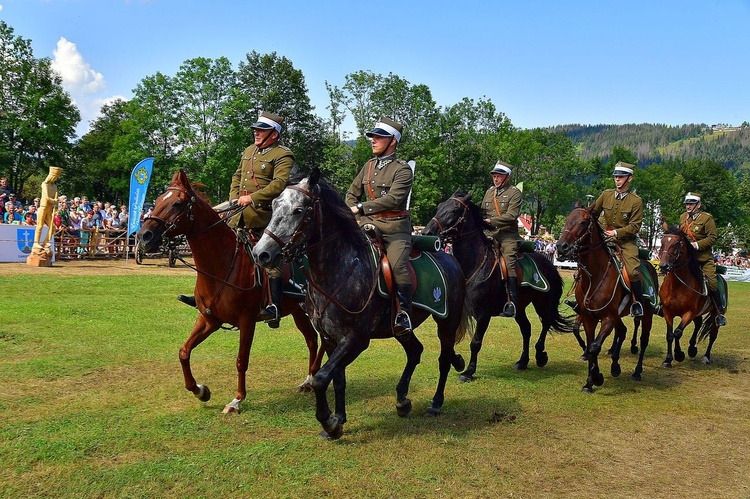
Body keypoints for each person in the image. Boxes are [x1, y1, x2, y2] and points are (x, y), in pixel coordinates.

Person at [178, 111, 295, 328]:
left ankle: (274, 306)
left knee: (270, 260)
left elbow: (279, 184)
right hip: (238, 216)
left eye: (261, 130)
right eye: (256, 130)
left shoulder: (283, 154)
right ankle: (204, 297)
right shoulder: (249, 151)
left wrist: (252, 198)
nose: (256, 133)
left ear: (274, 134)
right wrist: (235, 198)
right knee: (215, 254)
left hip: (265, 217)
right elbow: (236, 176)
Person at [345, 116, 414, 334]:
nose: (373, 140)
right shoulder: (367, 166)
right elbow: (351, 193)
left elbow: (394, 200)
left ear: (392, 141)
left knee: (397, 266)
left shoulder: (402, 170)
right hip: (365, 226)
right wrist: (351, 212)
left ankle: (403, 314)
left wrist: (361, 208)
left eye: (379, 137)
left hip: (394, 230)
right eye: (372, 137)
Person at [591, 161, 645, 317]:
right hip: (604, 239)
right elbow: (593, 214)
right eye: (616, 176)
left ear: (629, 179)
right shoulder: (606, 194)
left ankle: (637, 304)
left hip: (626, 242)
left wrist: (616, 233)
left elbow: (635, 226)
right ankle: (580, 299)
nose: (617, 179)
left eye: (621, 177)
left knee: (633, 272)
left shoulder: (636, 201)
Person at [676, 192, 726, 326]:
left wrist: (697, 244)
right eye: (687, 203)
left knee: (712, 282)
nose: (688, 206)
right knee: (670, 275)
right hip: (686, 258)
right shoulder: (682, 217)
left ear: (699, 205)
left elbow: (712, 237)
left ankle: (719, 311)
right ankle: (663, 305)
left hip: (702, 258)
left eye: (691, 203)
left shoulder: (706, 219)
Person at [480, 160, 523, 317]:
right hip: (488, 234)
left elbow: (512, 216)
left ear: (507, 177)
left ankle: (512, 302)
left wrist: (491, 221)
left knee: (509, 261)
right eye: (494, 176)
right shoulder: (489, 192)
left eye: (499, 176)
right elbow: (483, 212)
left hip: (507, 235)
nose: (496, 179)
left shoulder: (514, 193)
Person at [32, 166, 62, 254]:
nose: (55, 179)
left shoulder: (55, 186)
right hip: (43, 207)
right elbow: (47, 197)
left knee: (52, 228)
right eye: (55, 177)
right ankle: (36, 243)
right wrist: (54, 201)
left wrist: (56, 206)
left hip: (49, 209)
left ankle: (45, 242)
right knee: (40, 225)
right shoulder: (44, 184)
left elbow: (55, 197)